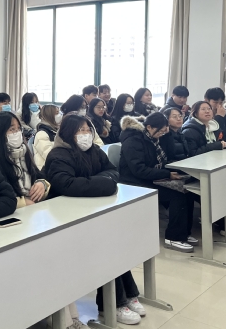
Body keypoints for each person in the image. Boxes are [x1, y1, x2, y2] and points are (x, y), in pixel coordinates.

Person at [44, 115, 144, 326]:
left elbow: (112, 171)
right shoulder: (58, 155)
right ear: (68, 134)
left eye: (87, 130)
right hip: (66, 221)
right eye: (80, 130)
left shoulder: (94, 151)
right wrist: (105, 184)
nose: (85, 135)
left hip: (90, 212)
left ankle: (127, 295)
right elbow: (67, 185)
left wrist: (99, 181)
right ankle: (112, 304)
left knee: (114, 243)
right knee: (105, 247)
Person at [119, 113, 197, 253]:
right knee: (177, 196)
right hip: (134, 182)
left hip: (151, 177)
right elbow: (139, 170)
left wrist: (178, 168)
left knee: (188, 192)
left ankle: (184, 233)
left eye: (164, 130)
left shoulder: (153, 138)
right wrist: (167, 174)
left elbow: (163, 160)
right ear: (149, 127)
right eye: (160, 131)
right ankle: (173, 238)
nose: (162, 134)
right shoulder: (133, 140)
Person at [0, 112, 49, 208]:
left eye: (18, 129)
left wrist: (42, 184)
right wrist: (22, 202)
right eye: (12, 129)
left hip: (32, 207)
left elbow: (38, 175)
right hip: (9, 210)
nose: (17, 133)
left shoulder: (23, 151)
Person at [33, 104, 60, 170]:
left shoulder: (55, 130)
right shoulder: (41, 134)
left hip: (55, 166)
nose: (60, 115)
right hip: (47, 169)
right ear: (50, 115)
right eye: (57, 113)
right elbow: (49, 155)